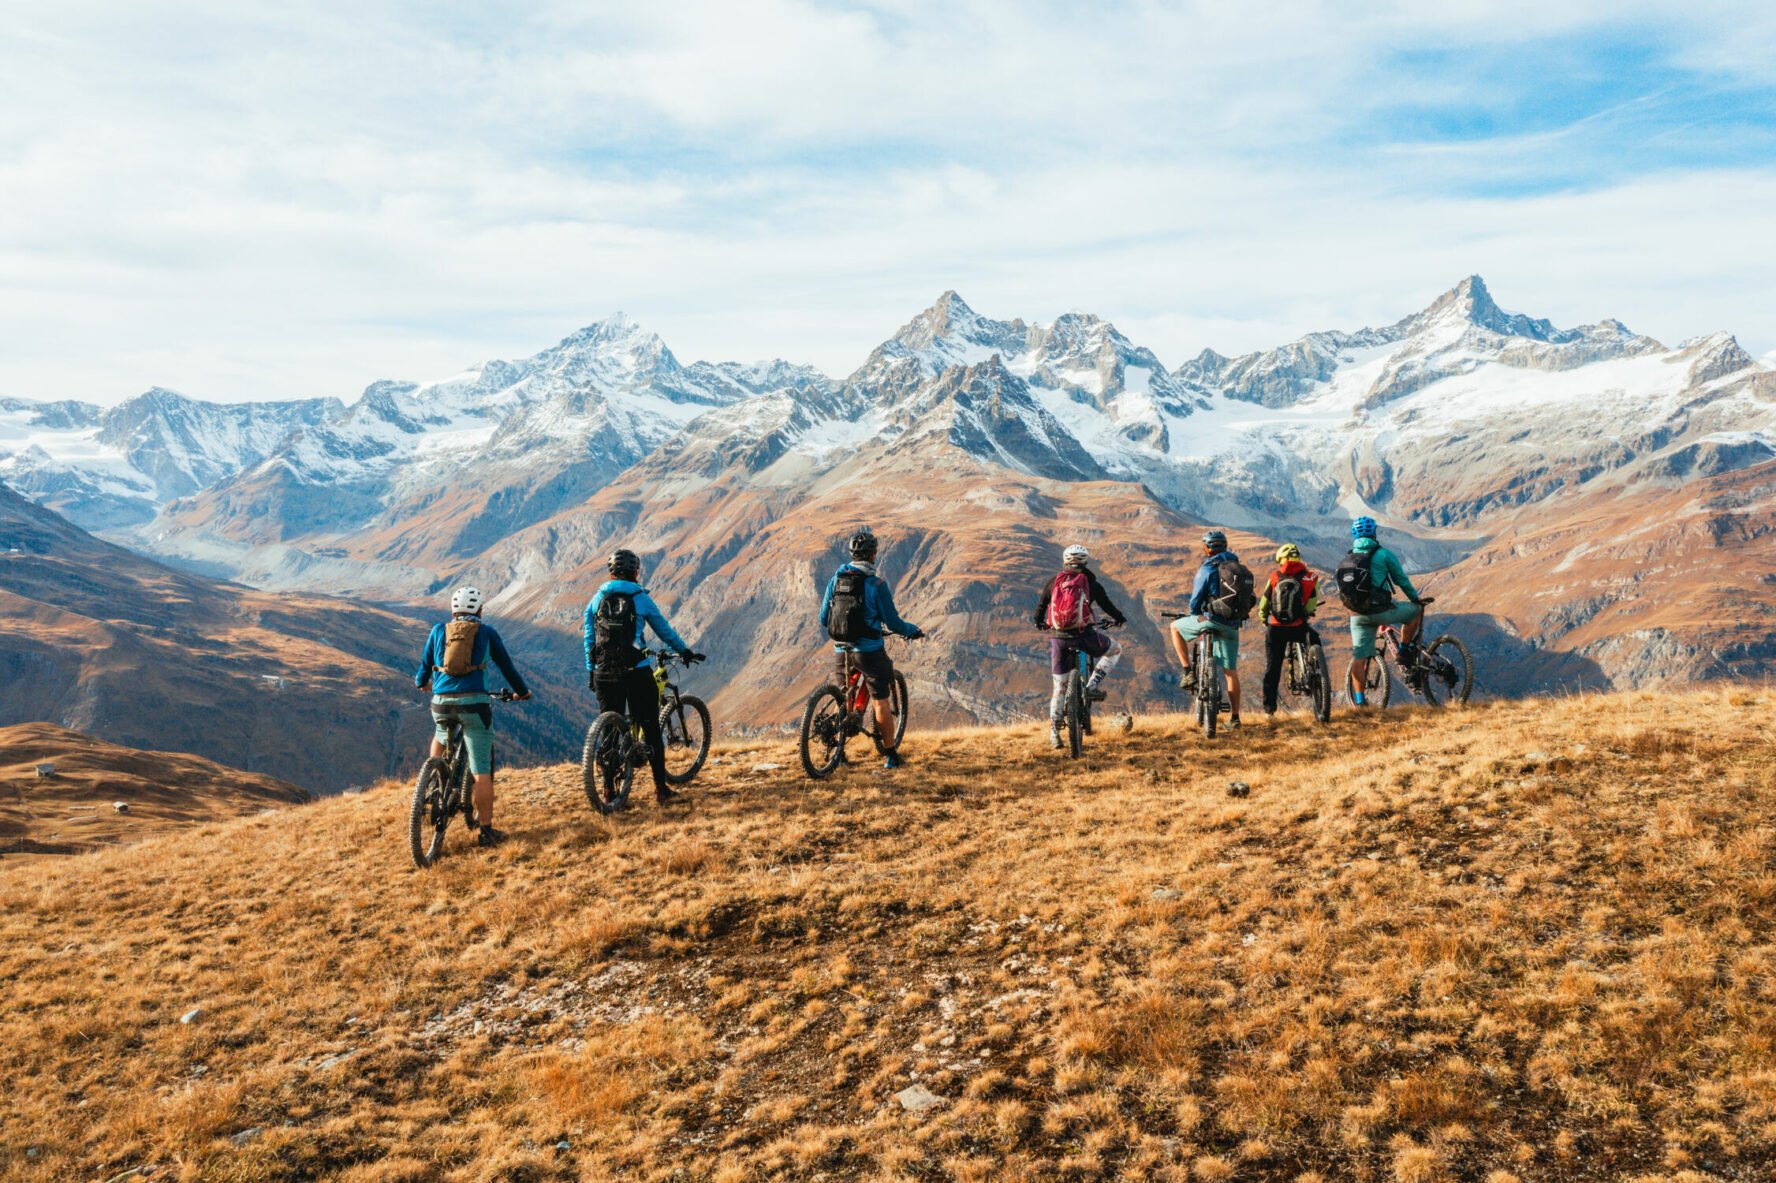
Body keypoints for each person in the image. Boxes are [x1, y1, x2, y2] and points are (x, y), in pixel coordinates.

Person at [584, 549, 706, 805]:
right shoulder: (640, 598)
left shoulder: (596, 599)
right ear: (635, 572)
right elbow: (663, 630)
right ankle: (661, 790)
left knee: (610, 730)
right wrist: (683, 650)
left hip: (604, 672)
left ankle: (608, 791)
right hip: (635, 671)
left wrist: (590, 669)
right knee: (651, 728)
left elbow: (589, 638)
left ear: (611, 572)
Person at [415, 586, 531, 847]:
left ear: (453, 611)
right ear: (480, 610)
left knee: (441, 733)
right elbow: (507, 667)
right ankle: (486, 831)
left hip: (441, 703)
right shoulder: (487, 633)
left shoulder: (438, 631)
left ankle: (432, 783)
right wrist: (522, 692)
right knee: (481, 771)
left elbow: (424, 667)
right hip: (474, 706)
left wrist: (422, 683)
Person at [818, 528, 924, 769]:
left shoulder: (836, 580)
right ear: (874, 555)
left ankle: (839, 753)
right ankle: (890, 756)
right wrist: (911, 630)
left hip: (841, 650)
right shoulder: (876, 585)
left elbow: (824, 618)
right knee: (880, 702)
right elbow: (893, 622)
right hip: (869, 651)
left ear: (852, 555)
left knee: (844, 697)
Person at [1033, 543, 1128, 749]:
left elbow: (1040, 608)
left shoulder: (1053, 582)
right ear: (1085, 562)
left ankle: (1054, 734)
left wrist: (1040, 623)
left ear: (1065, 560)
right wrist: (1119, 619)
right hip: (1084, 636)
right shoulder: (1090, 583)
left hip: (1059, 639)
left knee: (1059, 688)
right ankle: (1092, 686)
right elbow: (1106, 605)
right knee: (1115, 649)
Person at [1169, 529, 1247, 727]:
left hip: (1211, 619)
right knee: (1231, 672)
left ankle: (1188, 672)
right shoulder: (1238, 568)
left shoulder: (1208, 568)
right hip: (1232, 624)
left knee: (1175, 627)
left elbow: (1195, 601)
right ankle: (1235, 718)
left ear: (1206, 548)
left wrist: (1194, 613)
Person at [1341, 516, 1422, 707]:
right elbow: (1401, 580)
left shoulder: (1347, 559)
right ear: (1374, 533)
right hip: (1382, 611)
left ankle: (1360, 701)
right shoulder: (1384, 554)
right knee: (1415, 611)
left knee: (1359, 658)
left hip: (1357, 616)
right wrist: (1414, 599)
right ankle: (1403, 650)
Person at [1257, 543, 1321, 719]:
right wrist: (1306, 612)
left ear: (1281, 560)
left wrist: (1263, 617)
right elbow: (1312, 602)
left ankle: (1269, 710)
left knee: (1273, 667)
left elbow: (1264, 603)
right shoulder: (1310, 577)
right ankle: (1316, 671)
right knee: (1315, 642)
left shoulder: (1274, 576)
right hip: (1299, 626)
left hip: (1277, 627)